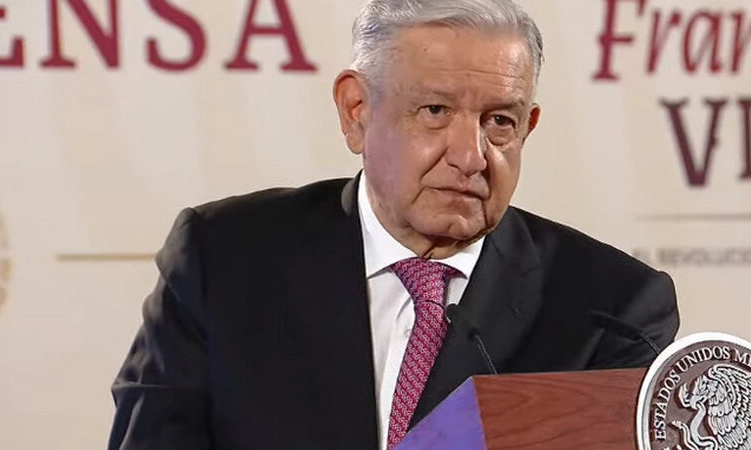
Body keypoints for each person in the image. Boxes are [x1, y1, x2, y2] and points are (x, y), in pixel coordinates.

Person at [108, 1, 679, 449]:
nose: (471, 156)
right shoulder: (225, 258)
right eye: (435, 111)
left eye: (499, 121)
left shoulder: (612, 307)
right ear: (356, 111)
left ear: (527, 126)